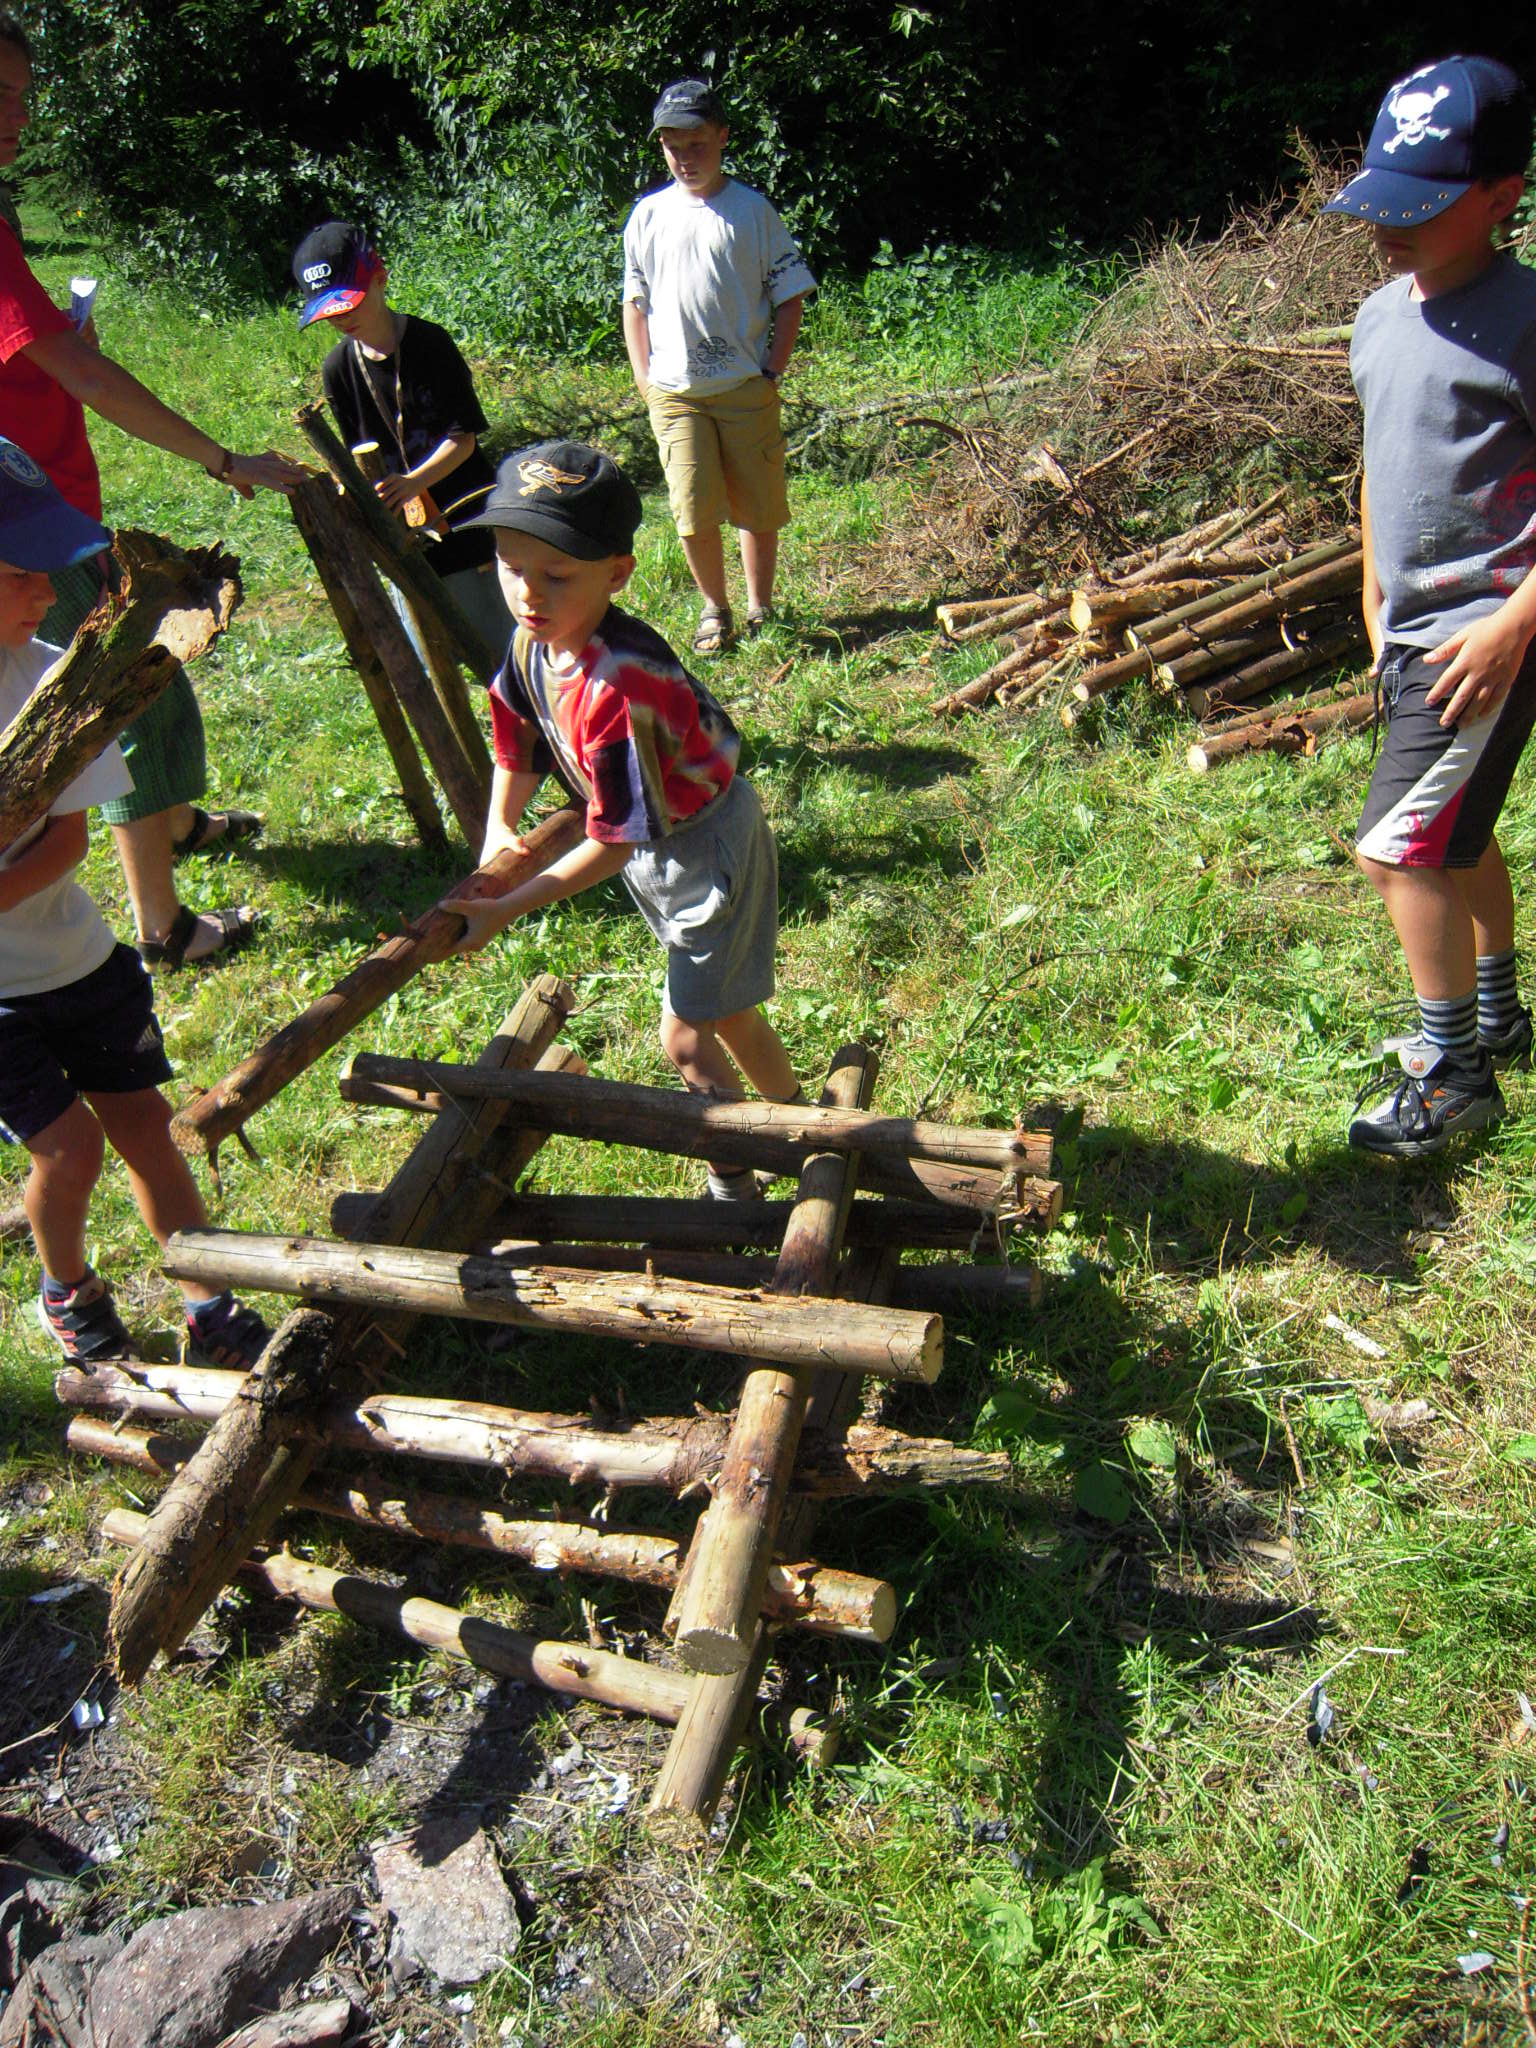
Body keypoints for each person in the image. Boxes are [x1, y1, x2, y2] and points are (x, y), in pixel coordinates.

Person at [0, 13, 304, 971]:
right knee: (122, 690)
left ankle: (172, 824)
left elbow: (38, 353)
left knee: (135, 678)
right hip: (30, 517)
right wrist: (223, 458)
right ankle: (163, 927)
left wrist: (57, 345)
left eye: (22, 97)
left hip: (38, 496)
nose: (17, 118)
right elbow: (85, 377)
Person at [442, 439, 804, 1197]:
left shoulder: (620, 687)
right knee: (732, 1016)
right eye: (510, 566)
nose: (528, 594)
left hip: (703, 849)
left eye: (556, 575)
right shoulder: (534, 644)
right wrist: (499, 828)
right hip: (657, 845)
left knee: (686, 1038)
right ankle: (805, 1130)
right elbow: (517, 735)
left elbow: (612, 843)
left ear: (616, 573)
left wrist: (508, 906)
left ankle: (737, 1184)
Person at [0, 438, 271, 1365]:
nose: (48, 592)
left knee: (150, 1132)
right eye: (21, 574)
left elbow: (69, 840)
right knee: (68, 1150)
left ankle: (209, 1297)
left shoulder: (58, 681)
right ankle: (67, 1290)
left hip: (79, 965)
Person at [1323, 55, 1536, 1157]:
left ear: (1502, 198)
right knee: (1452, 833)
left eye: (1422, 206)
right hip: (1411, 624)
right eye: (1379, 202)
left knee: (1398, 848)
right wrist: (1371, 584)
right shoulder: (1377, 315)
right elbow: (1380, 459)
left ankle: (1453, 1073)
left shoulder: (1526, 317)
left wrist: (1513, 627)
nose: (1387, 227)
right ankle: (1495, 1012)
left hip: (1489, 631)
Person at [622, 77, 815, 655]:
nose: (685, 157)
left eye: (697, 144)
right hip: (674, 392)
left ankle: (760, 607)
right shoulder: (648, 215)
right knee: (692, 507)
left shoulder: (751, 211)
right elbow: (635, 302)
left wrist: (772, 372)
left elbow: (790, 296)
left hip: (744, 387)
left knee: (758, 506)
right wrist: (643, 376)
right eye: (673, 146)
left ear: (723, 137)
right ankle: (715, 608)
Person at [293, 219, 512, 671]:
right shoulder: (338, 369)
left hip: (468, 520)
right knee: (435, 658)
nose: (342, 319)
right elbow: (355, 459)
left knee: (504, 649)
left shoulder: (430, 344)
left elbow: (463, 440)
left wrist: (413, 482)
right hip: (405, 532)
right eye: (329, 312)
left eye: (350, 303)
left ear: (380, 278)